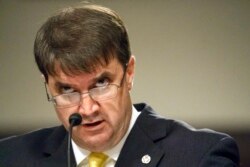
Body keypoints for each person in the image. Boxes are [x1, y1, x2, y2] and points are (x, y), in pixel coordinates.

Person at [0, 4, 239, 167]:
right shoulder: (10, 157)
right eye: (67, 90)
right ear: (47, 86)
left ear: (129, 73)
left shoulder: (199, 156)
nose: (87, 109)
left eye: (101, 83)